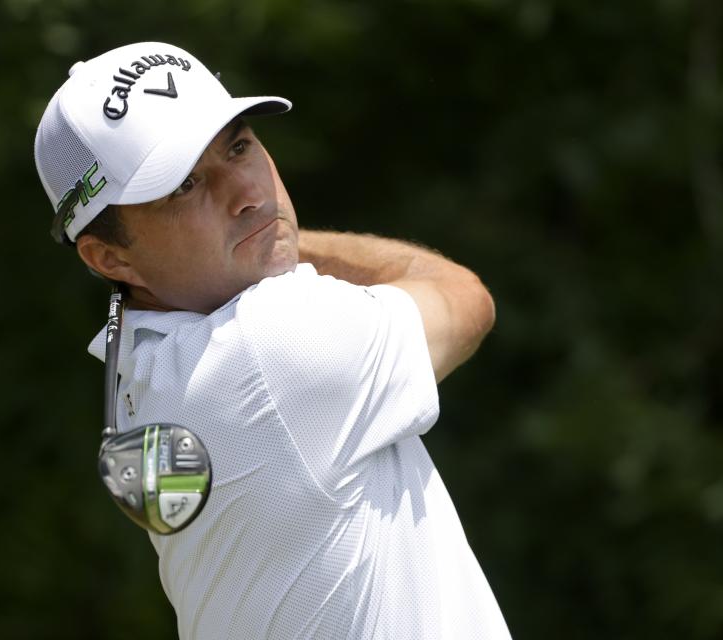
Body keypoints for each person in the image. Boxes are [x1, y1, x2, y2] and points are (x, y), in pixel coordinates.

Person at [34, 41, 511, 640]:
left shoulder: (136, 368)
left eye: (239, 146)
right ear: (109, 256)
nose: (248, 192)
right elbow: (464, 298)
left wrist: (262, 238)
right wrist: (280, 236)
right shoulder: (277, 344)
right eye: (183, 186)